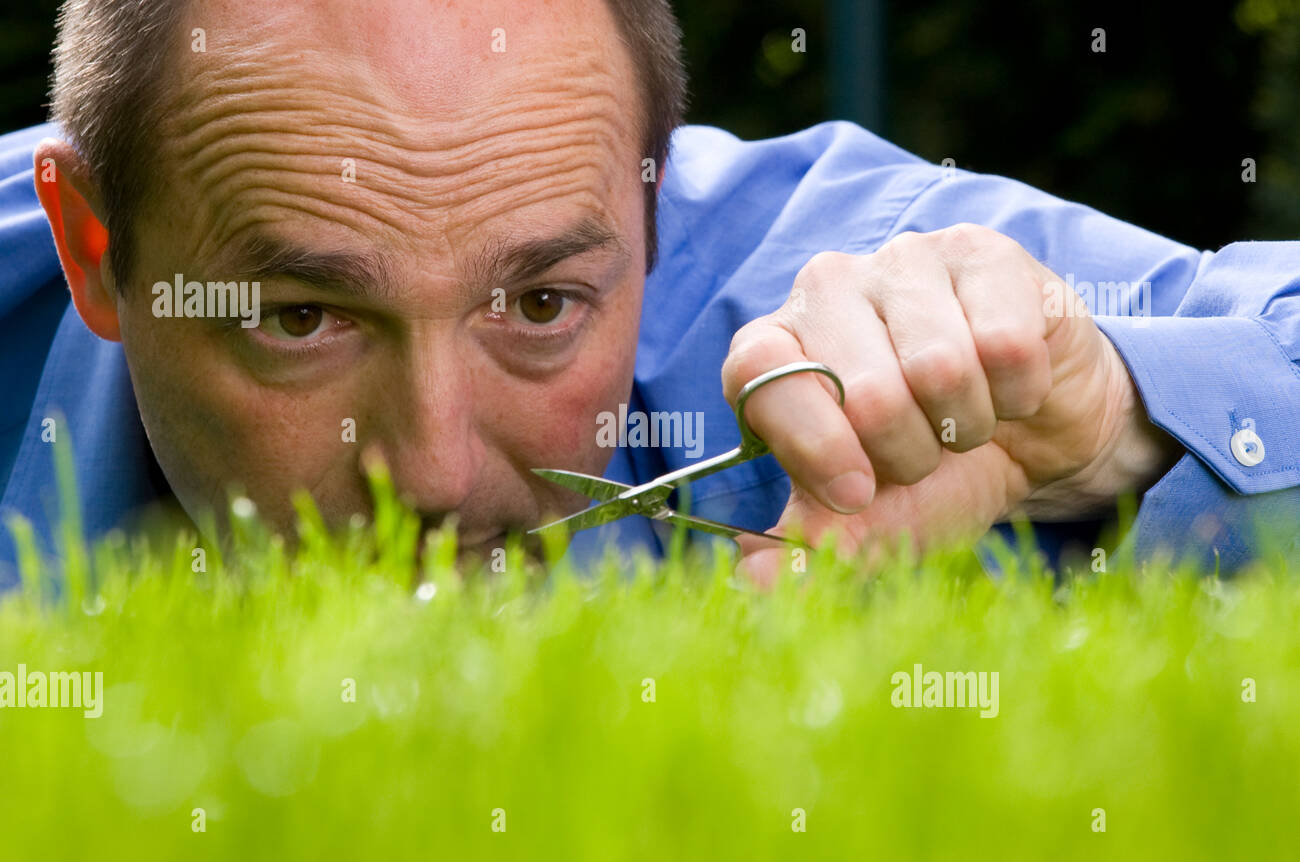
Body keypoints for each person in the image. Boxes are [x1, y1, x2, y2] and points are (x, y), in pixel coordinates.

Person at [1, 0, 1296, 589]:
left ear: (651, 199)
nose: (437, 471)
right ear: (91, 247)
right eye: (300, 318)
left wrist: (1119, 415)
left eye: (542, 304)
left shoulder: (814, 302)